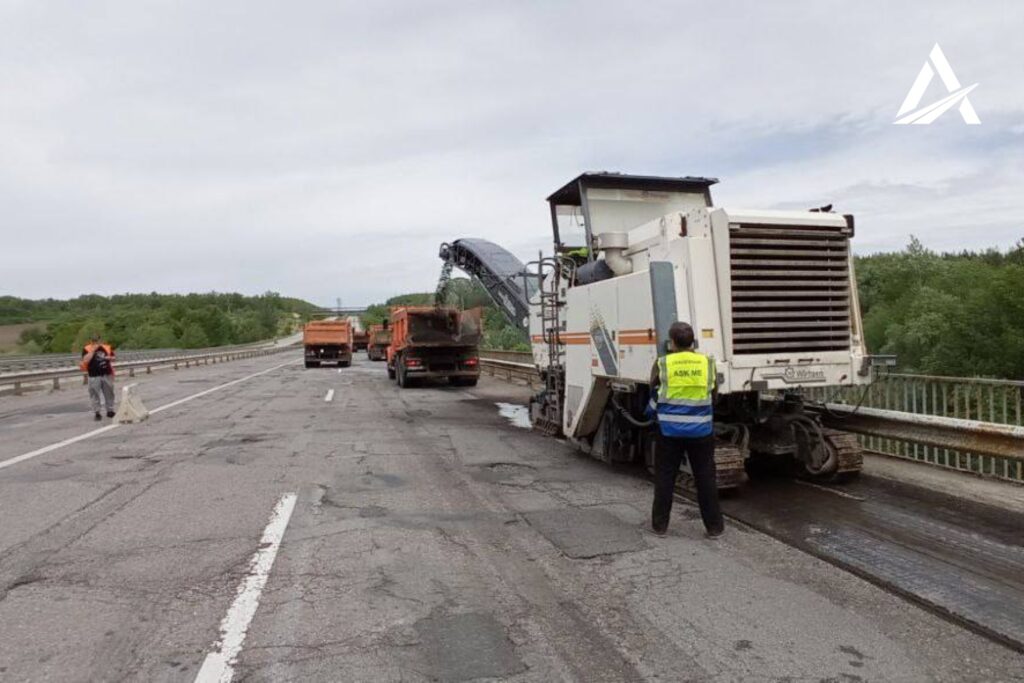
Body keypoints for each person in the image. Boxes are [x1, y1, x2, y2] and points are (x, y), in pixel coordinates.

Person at [645, 322, 724, 538]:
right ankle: (714, 527)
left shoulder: (663, 363)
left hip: (669, 432)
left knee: (665, 477)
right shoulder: (707, 363)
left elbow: (654, 392)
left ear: (671, 342)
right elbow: (714, 393)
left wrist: (654, 412)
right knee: (705, 478)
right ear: (692, 342)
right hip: (701, 431)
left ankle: (660, 526)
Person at [80, 334, 116, 421]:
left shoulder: (106, 347)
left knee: (109, 393)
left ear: (100, 340)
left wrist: (108, 357)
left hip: (106, 374)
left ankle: (110, 411)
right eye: (94, 341)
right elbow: (85, 360)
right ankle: (97, 412)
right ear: (91, 341)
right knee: (94, 394)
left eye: (97, 341)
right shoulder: (87, 348)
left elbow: (114, 357)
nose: (96, 342)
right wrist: (92, 351)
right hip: (94, 375)